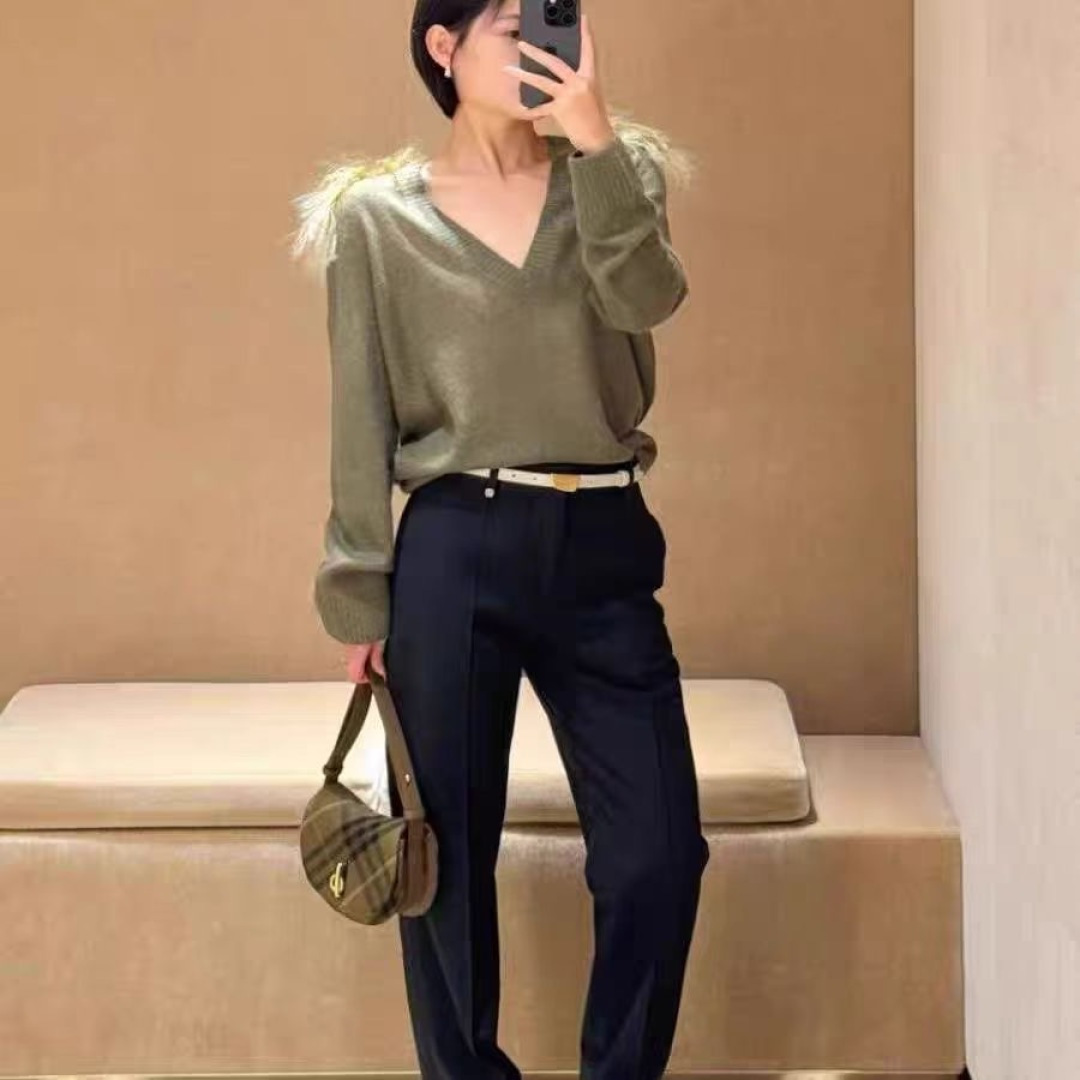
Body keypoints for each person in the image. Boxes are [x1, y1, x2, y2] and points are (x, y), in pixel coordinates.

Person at [291, 2, 709, 1076]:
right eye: (510, 24)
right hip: (454, 548)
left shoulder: (616, 173)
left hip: (604, 540)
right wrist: (359, 593)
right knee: (445, 864)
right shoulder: (376, 221)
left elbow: (649, 299)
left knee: (660, 856)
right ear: (443, 45)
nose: (537, 47)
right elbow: (360, 415)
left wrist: (598, 139)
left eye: (551, 22)